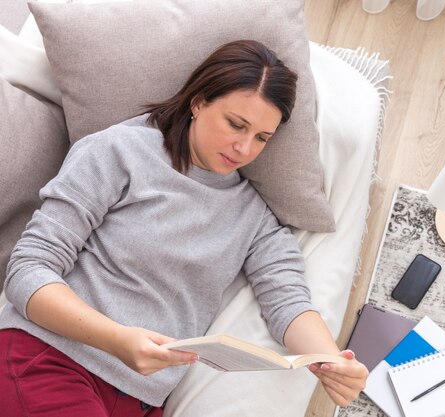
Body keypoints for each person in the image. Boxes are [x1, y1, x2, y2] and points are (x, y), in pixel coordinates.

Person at [0, 39, 368, 417]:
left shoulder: (255, 219)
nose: (244, 148)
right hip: (50, 357)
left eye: (261, 138)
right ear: (198, 101)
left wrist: (330, 361)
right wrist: (118, 340)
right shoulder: (119, 152)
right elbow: (27, 271)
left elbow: (289, 303)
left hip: (140, 400)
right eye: (235, 124)